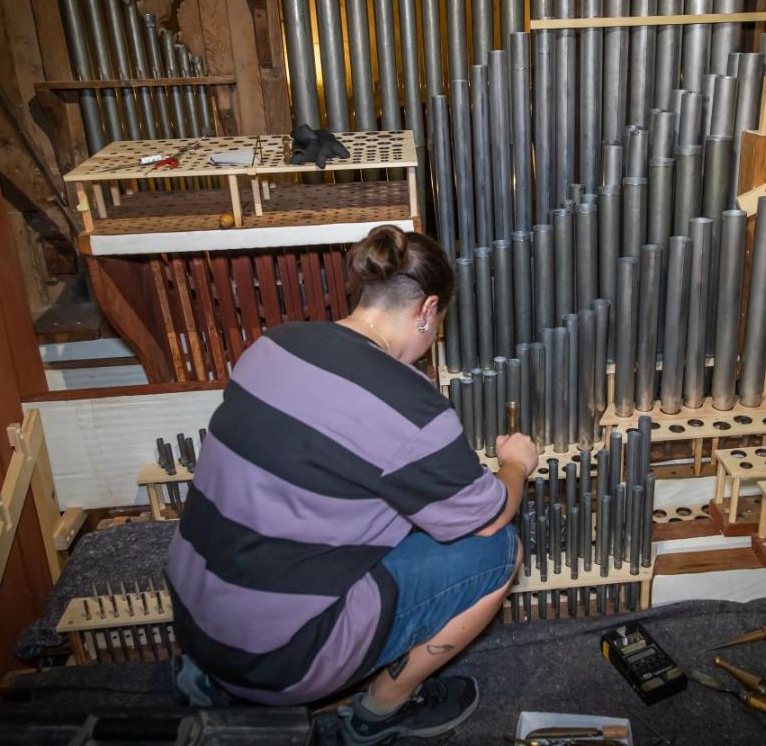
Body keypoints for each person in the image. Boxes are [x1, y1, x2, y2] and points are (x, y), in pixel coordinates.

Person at [166, 225, 537, 744]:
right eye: (439, 325)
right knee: (498, 550)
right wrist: (515, 464)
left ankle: (210, 680)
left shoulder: (273, 345)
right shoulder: (409, 406)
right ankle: (379, 713)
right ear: (427, 310)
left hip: (192, 621)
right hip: (278, 657)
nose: (434, 340)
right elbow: (490, 515)